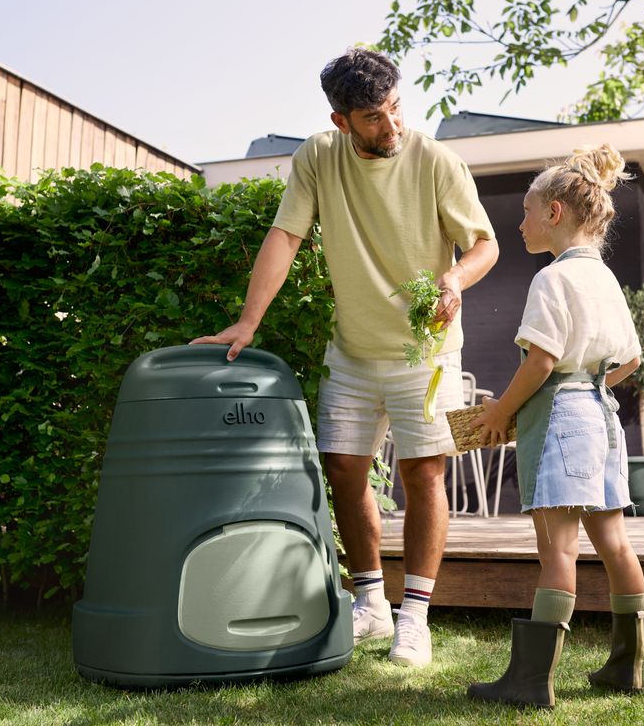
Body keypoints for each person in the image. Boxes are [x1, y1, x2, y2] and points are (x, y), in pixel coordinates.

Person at [191, 48, 498, 667]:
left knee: (424, 474)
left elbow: (484, 244)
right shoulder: (318, 157)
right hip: (353, 351)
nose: (391, 127)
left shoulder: (435, 160)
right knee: (343, 470)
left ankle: (415, 616)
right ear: (341, 122)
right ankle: (371, 604)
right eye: (373, 118)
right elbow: (286, 235)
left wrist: (455, 280)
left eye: (394, 109)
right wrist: (250, 320)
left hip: (426, 351)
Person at [467, 145, 644, 708]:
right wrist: (589, 386)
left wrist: (499, 412)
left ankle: (529, 682)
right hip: (602, 415)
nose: (518, 222)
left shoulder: (552, 280)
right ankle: (626, 668)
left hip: (564, 416)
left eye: (525, 210)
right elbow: (631, 361)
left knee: (558, 551)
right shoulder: (608, 280)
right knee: (615, 542)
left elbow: (541, 361)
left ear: (554, 213)